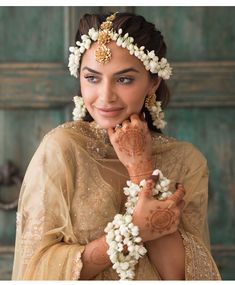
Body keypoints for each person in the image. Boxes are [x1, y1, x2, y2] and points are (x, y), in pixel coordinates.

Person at [12, 12, 221, 280]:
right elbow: (35, 271)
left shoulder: (186, 161)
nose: (105, 96)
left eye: (124, 79)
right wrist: (131, 231)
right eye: (92, 78)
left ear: (153, 82)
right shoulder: (63, 149)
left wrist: (141, 170)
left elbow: (184, 276)